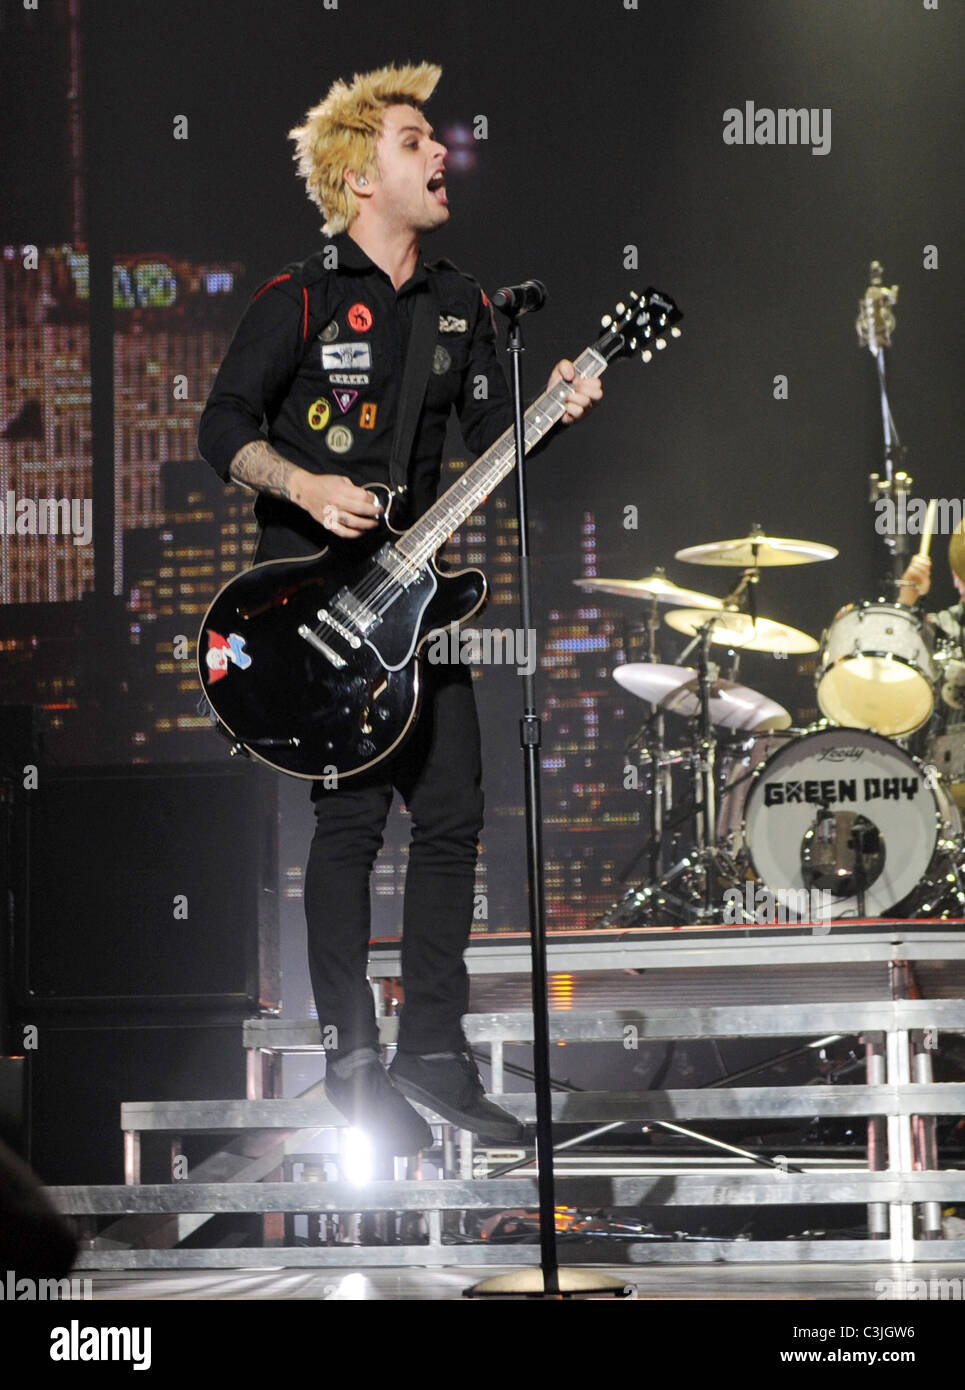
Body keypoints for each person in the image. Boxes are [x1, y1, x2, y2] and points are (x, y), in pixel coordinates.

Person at [198, 62, 601, 1157]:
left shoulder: (465, 305)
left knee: (456, 813)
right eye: (415, 139)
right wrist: (303, 484)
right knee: (348, 823)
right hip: (312, 612)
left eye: (437, 139)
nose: (440, 153)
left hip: (416, 612)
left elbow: (486, 459)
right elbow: (219, 426)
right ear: (356, 174)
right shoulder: (298, 299)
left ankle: (432, 1042)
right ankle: (350, 1056)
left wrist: (554, 410)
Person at [898, 522, 965, 710]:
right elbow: (890, 654)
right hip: (949, 736)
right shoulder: (940, 627)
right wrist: (907, 598)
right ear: (955, 577)